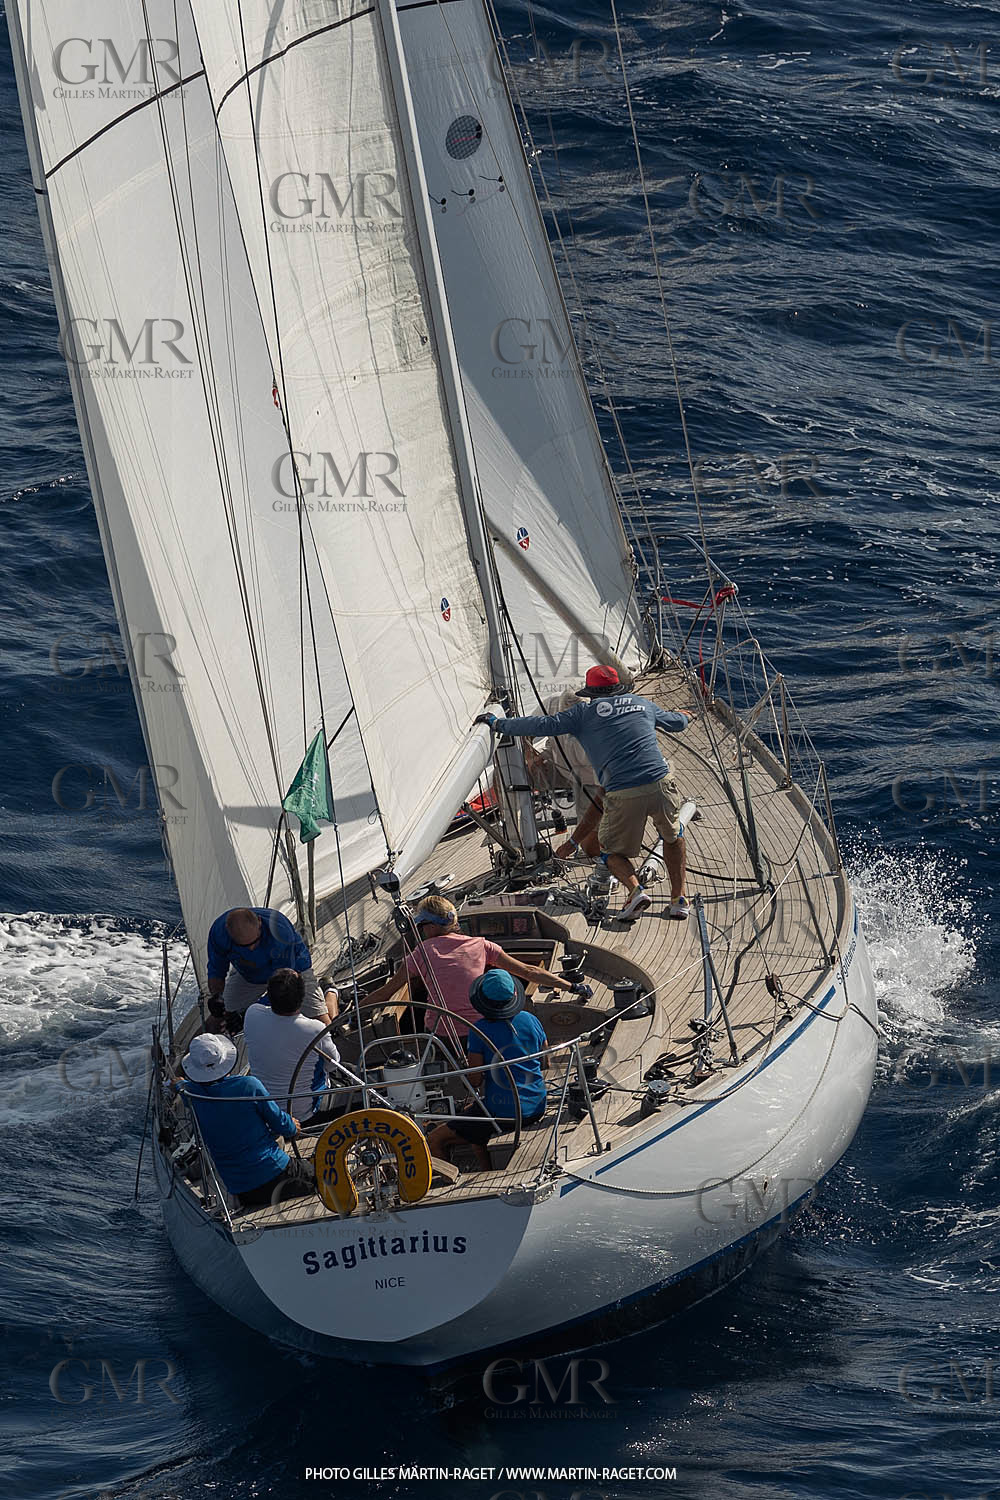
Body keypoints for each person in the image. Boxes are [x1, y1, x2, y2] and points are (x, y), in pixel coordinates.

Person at [479, 664, 691, 920]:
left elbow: (541, 725)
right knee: (672, 838)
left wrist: (498, 723)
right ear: (618, 688)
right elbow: (676, 722)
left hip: (622, 792)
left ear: (591, 693)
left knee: (611, 853)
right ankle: (679, 899)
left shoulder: (583, 713)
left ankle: (636, 891)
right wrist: (685, 715)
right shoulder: (640, 703)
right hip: (660, 783)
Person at [362, 895, 590, 1046]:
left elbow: (386, 992)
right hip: (481, 1030)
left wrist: (350, 1016)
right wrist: (572, 986)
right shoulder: (481, 945)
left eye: (421, 926)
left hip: (442, 1035)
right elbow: (529, 972)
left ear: (430, 926)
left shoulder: (421, 952)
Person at [425, 969, 549, 1170]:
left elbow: (475, 1081)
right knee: (473, 1112)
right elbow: (546, 1062)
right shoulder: (530, 1019)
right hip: (536, 1106)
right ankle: (486, 1168)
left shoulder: (479, 1030)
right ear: (514, 996)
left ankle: (452, 1186)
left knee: (435, 1138)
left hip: (505, 1114)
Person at [180, 1033, 314, 1209]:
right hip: (277, 1174)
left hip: (243, 1190)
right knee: (321, 1170)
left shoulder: (191, 1095)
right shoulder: (249, 1085)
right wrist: (292, 1126)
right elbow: (283, 1126)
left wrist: (176, 1084)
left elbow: (181, 1087)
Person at [204, 906, 338, 1030]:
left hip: (293, 972)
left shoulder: (279, 931)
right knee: (217, 1019)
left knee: (324, 1026)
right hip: (249, 973)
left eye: (255, 942)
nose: (251, 949)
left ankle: (330, 992)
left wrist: (246, 1013)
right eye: (243, 946)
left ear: (260, 922)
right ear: (228, 932)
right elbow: (216, 969)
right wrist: (217, 996)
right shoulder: (218, 932)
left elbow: (285, 984)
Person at [243, 969, 344, 1124]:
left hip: (268, 1113)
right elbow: (333, 1064)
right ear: (303, 997)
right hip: (307, 1115)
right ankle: (331, 992)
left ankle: (331, 992)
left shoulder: (252, 1014)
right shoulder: (316, 1029)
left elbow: (265, 1002)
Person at [536, 687, 605, 859]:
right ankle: (519, 842)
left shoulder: (598, 729)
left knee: (591, 846)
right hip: (558, 765)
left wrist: (572, 843)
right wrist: (531, 756)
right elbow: (526, 725)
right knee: (507, 774)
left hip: (591, 780)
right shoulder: (551, 704)